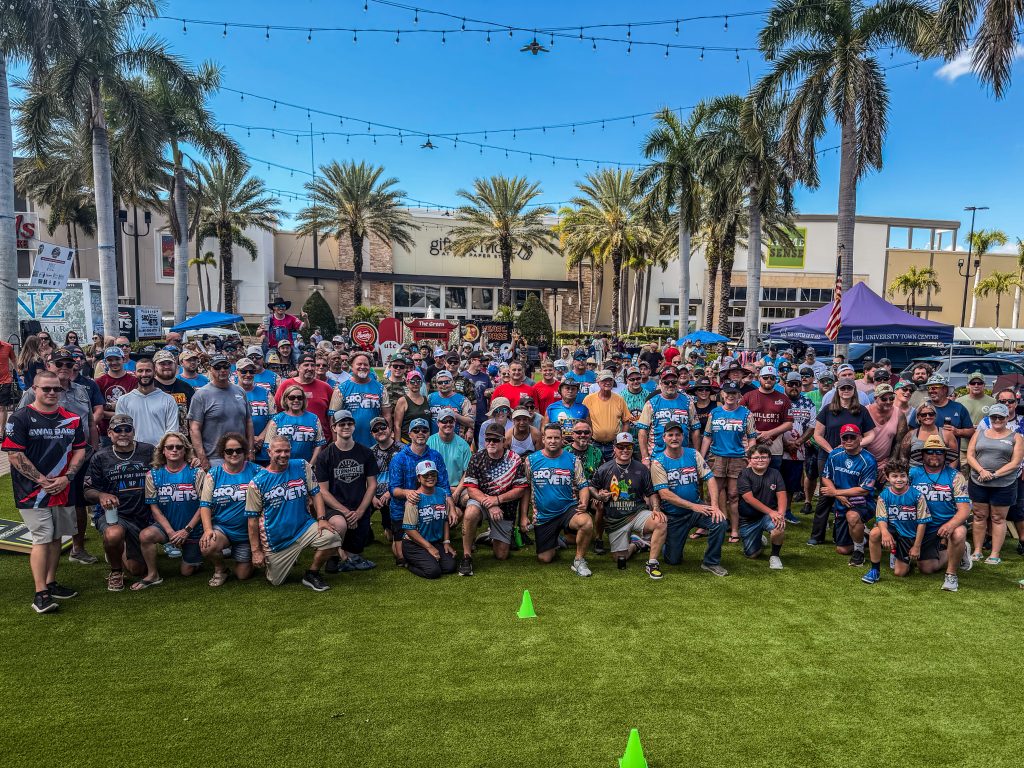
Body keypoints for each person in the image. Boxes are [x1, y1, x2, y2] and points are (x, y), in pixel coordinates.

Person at [3, 370, 87, 613]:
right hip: (32, 491)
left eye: (56, 389)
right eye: (46, 389)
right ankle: (40, 593)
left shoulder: (72, 419)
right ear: (34, 389)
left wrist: (68, 476)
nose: (52, 393)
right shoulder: (19, 418)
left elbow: (80, 449)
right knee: (43, 536)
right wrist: (43, 481)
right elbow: (15, 455)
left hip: (63, 487)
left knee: (57, 536)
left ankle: (51, 582)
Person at [244, 435, 339, 590]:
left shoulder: (302, 465)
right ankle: (283, 560)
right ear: (269, 452)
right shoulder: (257, 483)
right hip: (277, 540)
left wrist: (321, 518)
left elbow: (315, 493)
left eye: (286, 451)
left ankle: (312, 573)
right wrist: (256, 551)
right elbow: (252, 520)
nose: (283, 455)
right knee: (276, 581)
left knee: (332, 537)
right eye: (278, 451)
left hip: (304, 527)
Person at [85, 414, 158, 592]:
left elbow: (169, 467)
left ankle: (118, 549)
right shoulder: (100, 457)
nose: (123, 433)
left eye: (127, 429)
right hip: (114, 514)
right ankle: (116, 571)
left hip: (143, 515)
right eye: (118, 430)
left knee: (136, 570)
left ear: (134, 432)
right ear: (110, 433)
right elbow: (86, 490)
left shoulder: (149, 451)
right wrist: (101, 495)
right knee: (113, 534)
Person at [651, 421, 727, 575]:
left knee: (720, 521)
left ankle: (711, 562)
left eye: (678, 434)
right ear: (664, 438)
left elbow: (710, 479)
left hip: (697, 509)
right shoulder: (658, 462)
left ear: (683, 437)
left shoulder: (693, 454)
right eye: (670, 435)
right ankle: (657, 542)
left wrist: (714, 506)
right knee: (673, 560)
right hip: (674, 516)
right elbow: (664, 494)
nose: (674, 438)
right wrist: (694, 506)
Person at [136, 432, 207, 589]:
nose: (174, 450)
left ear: (184, 450)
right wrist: (170, 532)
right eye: (170, 447)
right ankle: (153, 574)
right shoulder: (153, 474)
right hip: (166, 526)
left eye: (179, 447)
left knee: (186, 571)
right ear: (163, 450)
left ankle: (197, 557)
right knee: (146, 535)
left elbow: (204, 504)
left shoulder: (197, 472)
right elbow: (153, 507)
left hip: (193, 528)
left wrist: (186, 530)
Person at [592, 433, 667, 579]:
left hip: (637, 513)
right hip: (615, 519)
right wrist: (598, 496)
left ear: (633, 448)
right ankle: (637, 544)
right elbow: (592, 487)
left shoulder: (642, 469)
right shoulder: (605, 468)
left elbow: (651, 493)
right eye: (621, 447)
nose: (624, 450)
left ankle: (652, 563)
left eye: (628, 447)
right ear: (614, 448)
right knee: (620, 560)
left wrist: (656, 509)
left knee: (661, 522)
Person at [523, 422, 594, 576]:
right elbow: (527, 488)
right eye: (549, 438)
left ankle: (579, 560)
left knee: (586, 522)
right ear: (543, 439)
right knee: (545, 558)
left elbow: (583, 485)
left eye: (556, 438)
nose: (553, 441)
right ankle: (557, 540)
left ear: (562, 439)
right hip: (544, 515)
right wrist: (523, 516)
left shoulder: (573, 460)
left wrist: (584, 502)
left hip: (568, 509)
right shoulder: (531, 460)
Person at [314, 410, 379, 573]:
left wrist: (359, 512)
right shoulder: (325, 455)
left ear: (354, 426)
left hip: (359, 508)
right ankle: (334, 557)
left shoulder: (366, 452)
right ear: (334, 427)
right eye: (341, 424)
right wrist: (345, 512)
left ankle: (343, 556)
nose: (346, 427)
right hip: (335, 509)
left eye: (349, 423)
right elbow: (323, 491)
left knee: (355, 552)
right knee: (340, 524)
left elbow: (372, 485)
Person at [460, 422, 530, 574]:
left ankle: (489, 536)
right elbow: (471, 489)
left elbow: (520, 489)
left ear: (504, 441)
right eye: (488, 439)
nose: (491, 443)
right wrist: (491, 504)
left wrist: (497, 500)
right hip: (482, 501)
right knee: (470, 512)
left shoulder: (514, 459)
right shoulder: (477, 457)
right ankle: (466, 557)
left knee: (501, 555)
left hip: (505, 506)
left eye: (496, 440)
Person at [910, 435, 974, 592]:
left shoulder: (955, 476)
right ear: (923, 454)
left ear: (945, 455)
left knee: (959, 532)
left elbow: (964, 510)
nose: (934, 455)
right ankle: (960, 551)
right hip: (922, 525)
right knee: (926, 568)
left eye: (939, 452)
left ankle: (951, 575)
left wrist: (950, 524)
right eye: (930, 451)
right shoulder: (912, 474)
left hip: (948, 522)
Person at [965, 402, 1024, 565]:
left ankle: (995, 554)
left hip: (1004, 484)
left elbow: (1016, 462)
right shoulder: (980, 433)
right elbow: (970, 455)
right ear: (989, 418)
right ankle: (977, 550)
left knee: (998, 518)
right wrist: (982, 471)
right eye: (994, 417)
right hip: (978, 481)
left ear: (1006, 418)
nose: (997, 419)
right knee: (979, 516)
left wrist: (995, 474)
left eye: (1000, 417)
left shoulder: (1016, 437)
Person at [198, 433, 259, 586]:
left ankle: (243, 554)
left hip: (247, 534)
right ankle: (221, 569)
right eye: (229, 451)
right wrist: (207, 530)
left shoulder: (257, 471)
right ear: (222, 453)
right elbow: (205, 504)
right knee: (207, 545)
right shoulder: (214, 474)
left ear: (244, 452)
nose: (234, 454)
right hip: (223, 529)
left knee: (243, 575)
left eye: (238, 450)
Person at [388, 418, 451, 566]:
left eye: (424, 430)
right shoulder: (399, 458)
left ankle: (437, 542)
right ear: (410, 434)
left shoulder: (435, 456)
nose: (420, 433)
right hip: (402, 509)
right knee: (401, 558)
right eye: (416, 430)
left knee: (455, 514)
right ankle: (398, 541)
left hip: (430, 506)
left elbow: (444, 484)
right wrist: (407, 493)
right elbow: (393, 489)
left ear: (429, 433)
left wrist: (451, 506)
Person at [702, 381, 758, 543]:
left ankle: (734, 529)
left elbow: (752, 438)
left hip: (738, 457)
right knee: (712, 493)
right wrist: (701, 457)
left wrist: (750, 458)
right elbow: (707, 436)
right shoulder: (715, 412)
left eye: (734, 393)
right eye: (728, 393)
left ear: (739, 396)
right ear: (722, 395)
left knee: (734, 495)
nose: (730, 396)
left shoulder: (746, 414)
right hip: (717, 456)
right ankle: (707, 525)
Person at [862, 460, 930, 584]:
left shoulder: (917, 495)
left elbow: (922, 522)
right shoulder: (884, 495)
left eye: (902, 476)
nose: (899, 479)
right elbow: (881, 518)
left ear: (907, 477)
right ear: (888, 478)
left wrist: (916, 546)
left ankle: (902, 555)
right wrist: (885, 533)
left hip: (909, 534)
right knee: (874, 533)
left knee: (899, 573)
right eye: (894, 476)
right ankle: (875, 571)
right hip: (893, 528)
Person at [820, 424, 878, 564]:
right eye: (845, 437)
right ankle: (863, 535)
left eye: (853, 437)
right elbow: (825, 477)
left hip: (862, 502)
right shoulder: (834, 455)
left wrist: (835, 492)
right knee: (842, 549)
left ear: (860, 438)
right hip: (841, 501)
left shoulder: (869, 460)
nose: (849, 440)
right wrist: (838, 495)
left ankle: (859, 551)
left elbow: (864, 489)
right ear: (841, 439)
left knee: (852, 516)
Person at [188, 354, 253, 470]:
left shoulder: (240, 391)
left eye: (225, 366)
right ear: (210, 369)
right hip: (214, 458)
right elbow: (194, 429)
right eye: (217, 367)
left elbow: (248, 422)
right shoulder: (201, 395)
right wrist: (202, 457)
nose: (222, 370)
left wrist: (250, 450)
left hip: (240, 456)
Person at [400, 460, 457, 579]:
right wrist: (429, 548)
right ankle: (407, 563)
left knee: (450, 567)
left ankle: (430, 557)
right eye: (426, 475)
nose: (430, 477)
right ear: (419, 478)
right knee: (433, 572)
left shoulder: (442, 493)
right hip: (414, 544)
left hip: (435, 541)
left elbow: (445, 519)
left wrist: (446, 542)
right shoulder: (414, 498)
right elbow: (408, 530)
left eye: (433, 474)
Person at [736, 445, 787, 570]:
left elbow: (782, 495)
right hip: (748, 520)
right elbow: (749, 498)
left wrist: (780, 514)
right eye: (756, 457)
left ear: (769, 459)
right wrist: (771, 512)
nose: (760, 460)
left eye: (764, 457)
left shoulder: (775, 473)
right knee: (752, 554)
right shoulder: (744, 474)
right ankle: (759, 537)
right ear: (749, 460)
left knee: (778, 527)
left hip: (767, 516)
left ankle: (775, 556)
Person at [330, 351, 392, 449]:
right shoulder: (341, 389)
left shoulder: (380, 388)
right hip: (349, 443)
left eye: (366, 364)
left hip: (375, 442)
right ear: (352, 366)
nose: (362, 367)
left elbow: (387, 415)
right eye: (359, 364)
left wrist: (387, 438)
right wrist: (336, 443)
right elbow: (333, 417)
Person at [113, 357, 179, 446]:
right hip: (133, 452)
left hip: (160, 452)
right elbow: (121, 430)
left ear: (155, 372)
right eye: (140, 371)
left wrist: (161, 449)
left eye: (148, 370)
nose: (144, 374)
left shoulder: (168, 399)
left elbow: (172, 430)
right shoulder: (124, 400)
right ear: (135, 373)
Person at [741, 366, 794, 471]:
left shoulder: (783, 399)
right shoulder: (748, 396)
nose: (768, 380)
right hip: (752, 442)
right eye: (765, 377)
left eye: (772, 378)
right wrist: (758, 434)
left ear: (776, 380)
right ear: (759, 378)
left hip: (774, 445)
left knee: (772, 477)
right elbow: (740, 419)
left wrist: (769, 434)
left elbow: (789, 424)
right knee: (750, 476)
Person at [781, 371, 816, 525]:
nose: (794, 387)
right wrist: (784, 443)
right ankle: (772, 510)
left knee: (791, 484)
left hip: (798, 450)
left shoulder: (808, 403)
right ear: (785, 384)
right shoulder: (778, 400)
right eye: (790, 384)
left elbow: (812, 426)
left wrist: (799, 442)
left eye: (797, 384)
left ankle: (787, 511)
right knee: (774, 481)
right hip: (777, 448)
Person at [908, 375, 974, 454]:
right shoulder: (922, 407)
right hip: (924, 457)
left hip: (950, 458)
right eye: (929, 388)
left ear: (945, 389)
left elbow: (971, 431)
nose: (931, 391)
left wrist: (957, 431)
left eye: (934, 387)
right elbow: (911, 432)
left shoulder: (959, 408)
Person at [274, 353, 334, 436]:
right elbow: (276, 410)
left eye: (313, 365)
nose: (310, 368)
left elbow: (332, 414)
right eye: (306, 365)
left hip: (322, 439)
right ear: (298, 367)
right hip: (290, 440)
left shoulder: (326, 387)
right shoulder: (286, 385)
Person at [265, 384, 326, 465]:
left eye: (300, 398)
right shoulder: (277, 420)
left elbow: (319, 445)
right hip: (281, 467)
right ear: (286, 399)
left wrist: (310, 466)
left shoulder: (314, 419)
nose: (296, 400)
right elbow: (268, 446)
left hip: (305, 466)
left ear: (303, 400)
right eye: (292, 397)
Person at [583, 371, 634, 461]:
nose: (607, 382)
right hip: (594, 443)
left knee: (614, 471)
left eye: (610, 380)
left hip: (613, 445)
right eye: (604, 380)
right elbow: (584, 420)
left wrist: (620, 443)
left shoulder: (619, 399)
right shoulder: (589, 399)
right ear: (598, 382)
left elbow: (626, 422)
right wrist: (588, 438)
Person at [235, 357, 275, 464]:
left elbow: (273, 419)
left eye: (251, 371)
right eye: (244, 371)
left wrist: (260, 438)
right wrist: (249, 439)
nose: (248, 374)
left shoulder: (266, 393)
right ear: (236, 372)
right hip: (238, 447)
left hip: (263, 447)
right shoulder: (230, 393)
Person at [863, 383, 908, 478]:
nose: (888, 401)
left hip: (885, 460)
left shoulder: (899, 414)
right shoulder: (864, 411)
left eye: (891, 398)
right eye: (884, 399)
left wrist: (889, 463)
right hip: (863, 459)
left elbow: (899, 442)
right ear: (875, 398)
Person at [95, 346, 138, 438]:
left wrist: (109, 407)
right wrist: (123, 413)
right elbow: (99, 411)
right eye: (110, 360)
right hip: (106, 432)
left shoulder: (134, 381)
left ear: (123, 359)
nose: (114, 363)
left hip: (129, 432)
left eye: (117, 359)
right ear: (105, 361)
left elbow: (135, 410)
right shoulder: (99, 382)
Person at [427, 408, 472, 488]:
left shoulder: (464, 445)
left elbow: (467, 472)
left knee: (468, 497)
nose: (448, 424)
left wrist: (457, 492)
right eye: (444, 421)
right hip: (434, 488)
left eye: (451, 421)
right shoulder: (429, 442)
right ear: (438, 423)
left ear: (455, 423)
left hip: (457, 487)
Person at [258, 297, 307, 362]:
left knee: (298, 358)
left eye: (283, 306)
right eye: (278, 306)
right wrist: (261, 331)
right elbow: (257, 334)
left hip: (289, 346)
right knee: (269, 361)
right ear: (274, 307)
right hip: (274, 347)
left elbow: (304, 326)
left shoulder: (291, 318)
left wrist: (306, 319)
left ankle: (297, 371)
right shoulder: (268, 319)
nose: (281, 307)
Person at [428, 370, 474, 438]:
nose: (443, 385)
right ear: (436, 384)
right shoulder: (430, 398)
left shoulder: (463, 400)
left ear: (452, 382)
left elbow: (471, 423)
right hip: (434, 442)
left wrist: (455, 415)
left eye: (446, 382)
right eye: (440, 382)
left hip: (456, 441)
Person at [393, 369, 432, 444]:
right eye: (412, 381)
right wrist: (398, 444)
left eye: (418, 381)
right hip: (407, 442)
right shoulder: (403, 401)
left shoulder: (426, 399)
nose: (415, 384)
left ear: (421, 383)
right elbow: (397, 425)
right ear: (407, 383)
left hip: (424, 442)